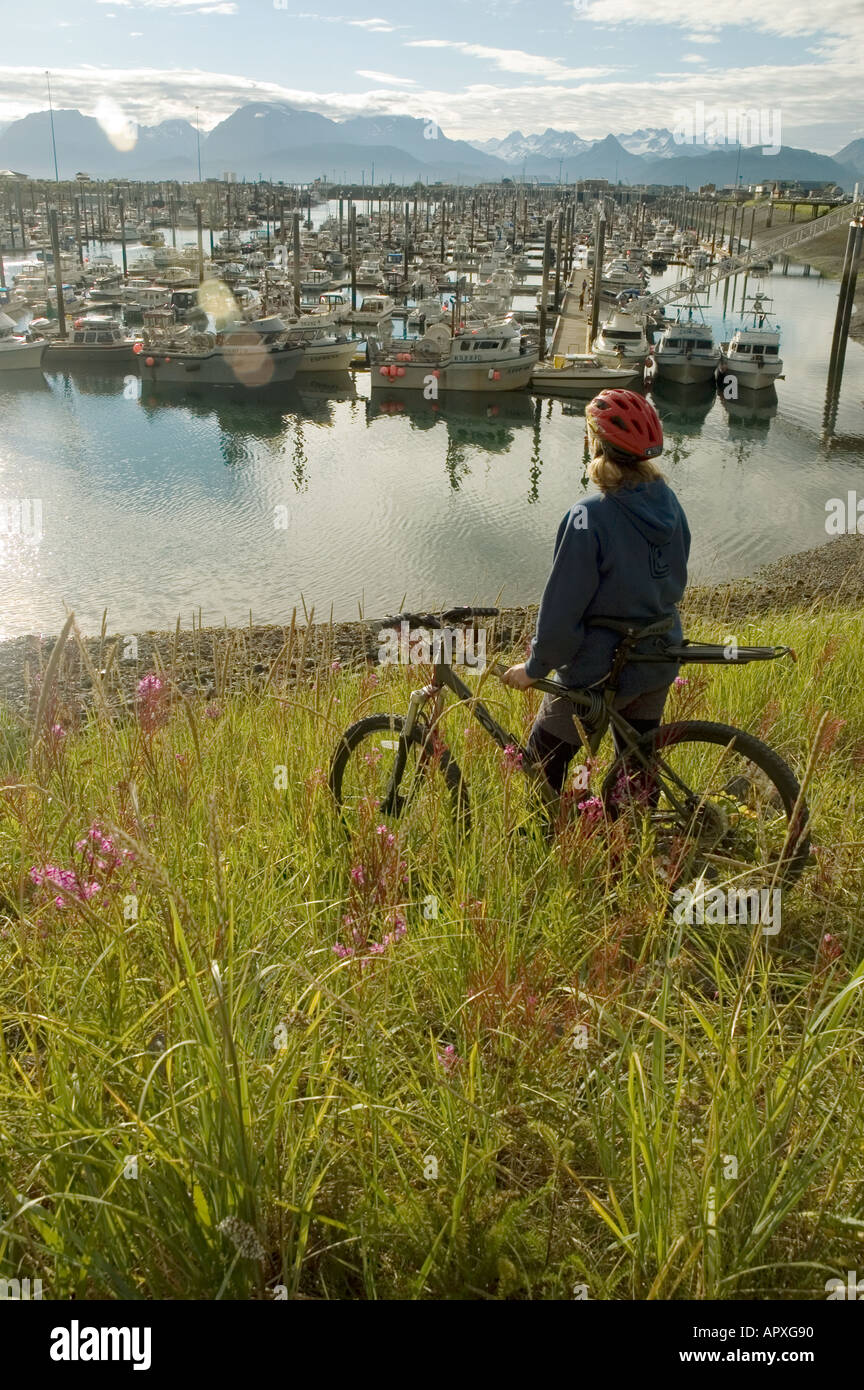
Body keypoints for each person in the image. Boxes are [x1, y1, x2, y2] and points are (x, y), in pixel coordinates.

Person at [501, 389, 690, 796]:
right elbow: (675, 580)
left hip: (602, 669)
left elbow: (561, 613)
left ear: (594, 442)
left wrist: (535, 668)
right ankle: (630, 842)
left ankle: (551, 845)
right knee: (637, 767)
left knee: (541, 763)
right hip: (657, 656)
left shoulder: (588, 515)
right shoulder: (669, 503)